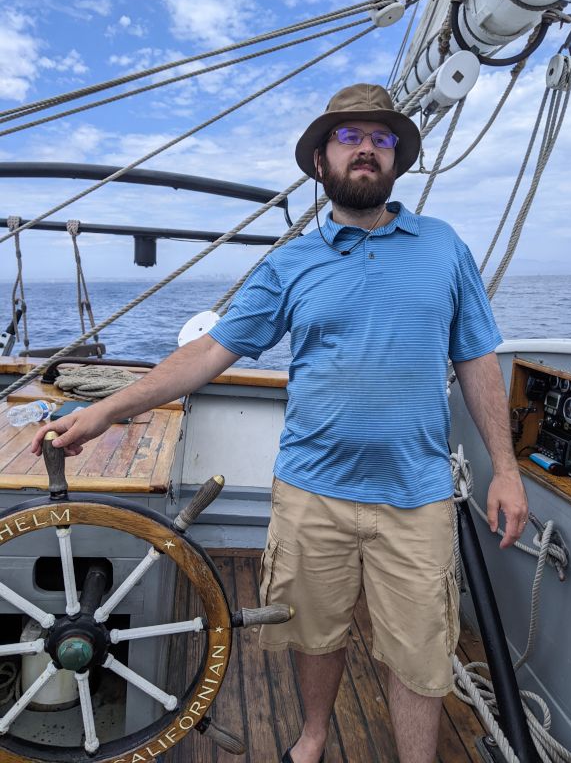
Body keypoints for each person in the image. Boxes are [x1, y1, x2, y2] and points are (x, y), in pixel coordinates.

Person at [32, 83, 529, 763]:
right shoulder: (291, 262)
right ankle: (314, 734)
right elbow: (209, 352)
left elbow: (476, 360)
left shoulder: (444, 249)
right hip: (311, 492)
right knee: (311, 633)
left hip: (417, 497)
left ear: (396, 161)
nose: (365, 149)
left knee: (421, 656)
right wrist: (104, 411)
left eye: (380, 139)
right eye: (349, 137)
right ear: (320, 161)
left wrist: (506, 470)